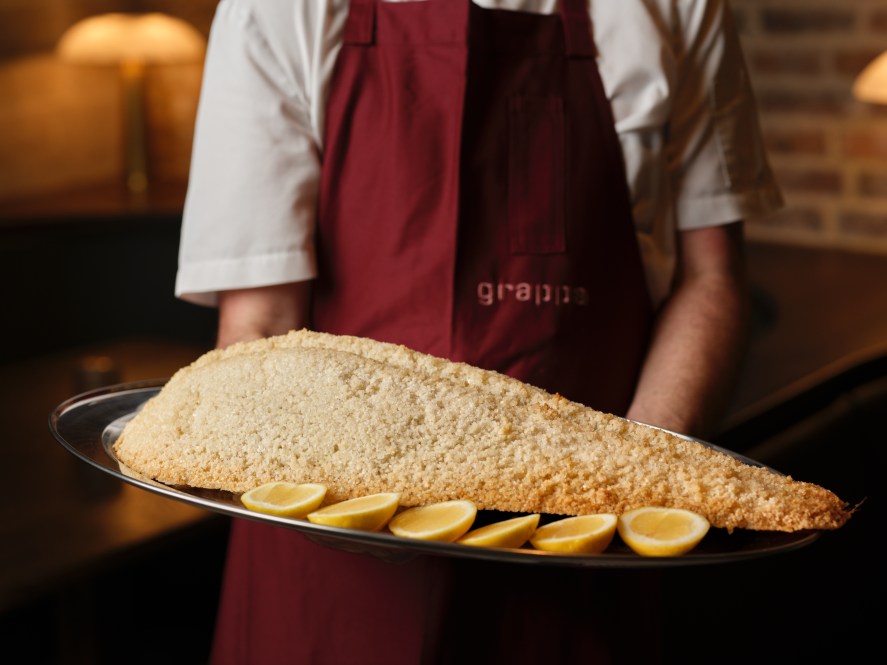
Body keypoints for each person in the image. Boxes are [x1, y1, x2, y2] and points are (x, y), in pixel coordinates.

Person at [175, 0, 783, 662]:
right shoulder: (277, 11)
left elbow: (713, 277)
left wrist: (633, 487)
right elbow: (261, 323)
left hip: (580, 556)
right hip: (333, 558)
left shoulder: (679, 8)